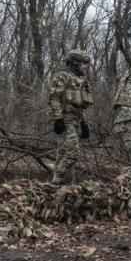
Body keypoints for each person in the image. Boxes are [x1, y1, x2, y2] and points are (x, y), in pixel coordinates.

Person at [48, 49, 93, 185]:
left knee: (62, 152)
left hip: (75, 120)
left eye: (86, 63)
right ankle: (59, 179)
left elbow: (79, 105)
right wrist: (58, 119)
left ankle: (61, 184)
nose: (86, 66)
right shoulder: (63, 76)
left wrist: (84, 124)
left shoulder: (81, 80)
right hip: (65, 119)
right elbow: (53, 97)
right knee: (73, 153)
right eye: (83, 63)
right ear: (75, 63)